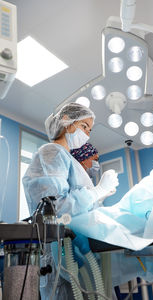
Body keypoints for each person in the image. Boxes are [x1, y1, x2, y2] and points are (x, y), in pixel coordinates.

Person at [22, 102, 119, 299]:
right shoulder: (51, 152)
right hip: (60, 255)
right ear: (66, 120)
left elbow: (78, 208)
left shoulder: (70, 161)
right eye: (84, 126)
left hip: (77, 253)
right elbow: (55, 208)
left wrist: (99, 196)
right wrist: (98, 190)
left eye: (90, 130)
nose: (87, 134)